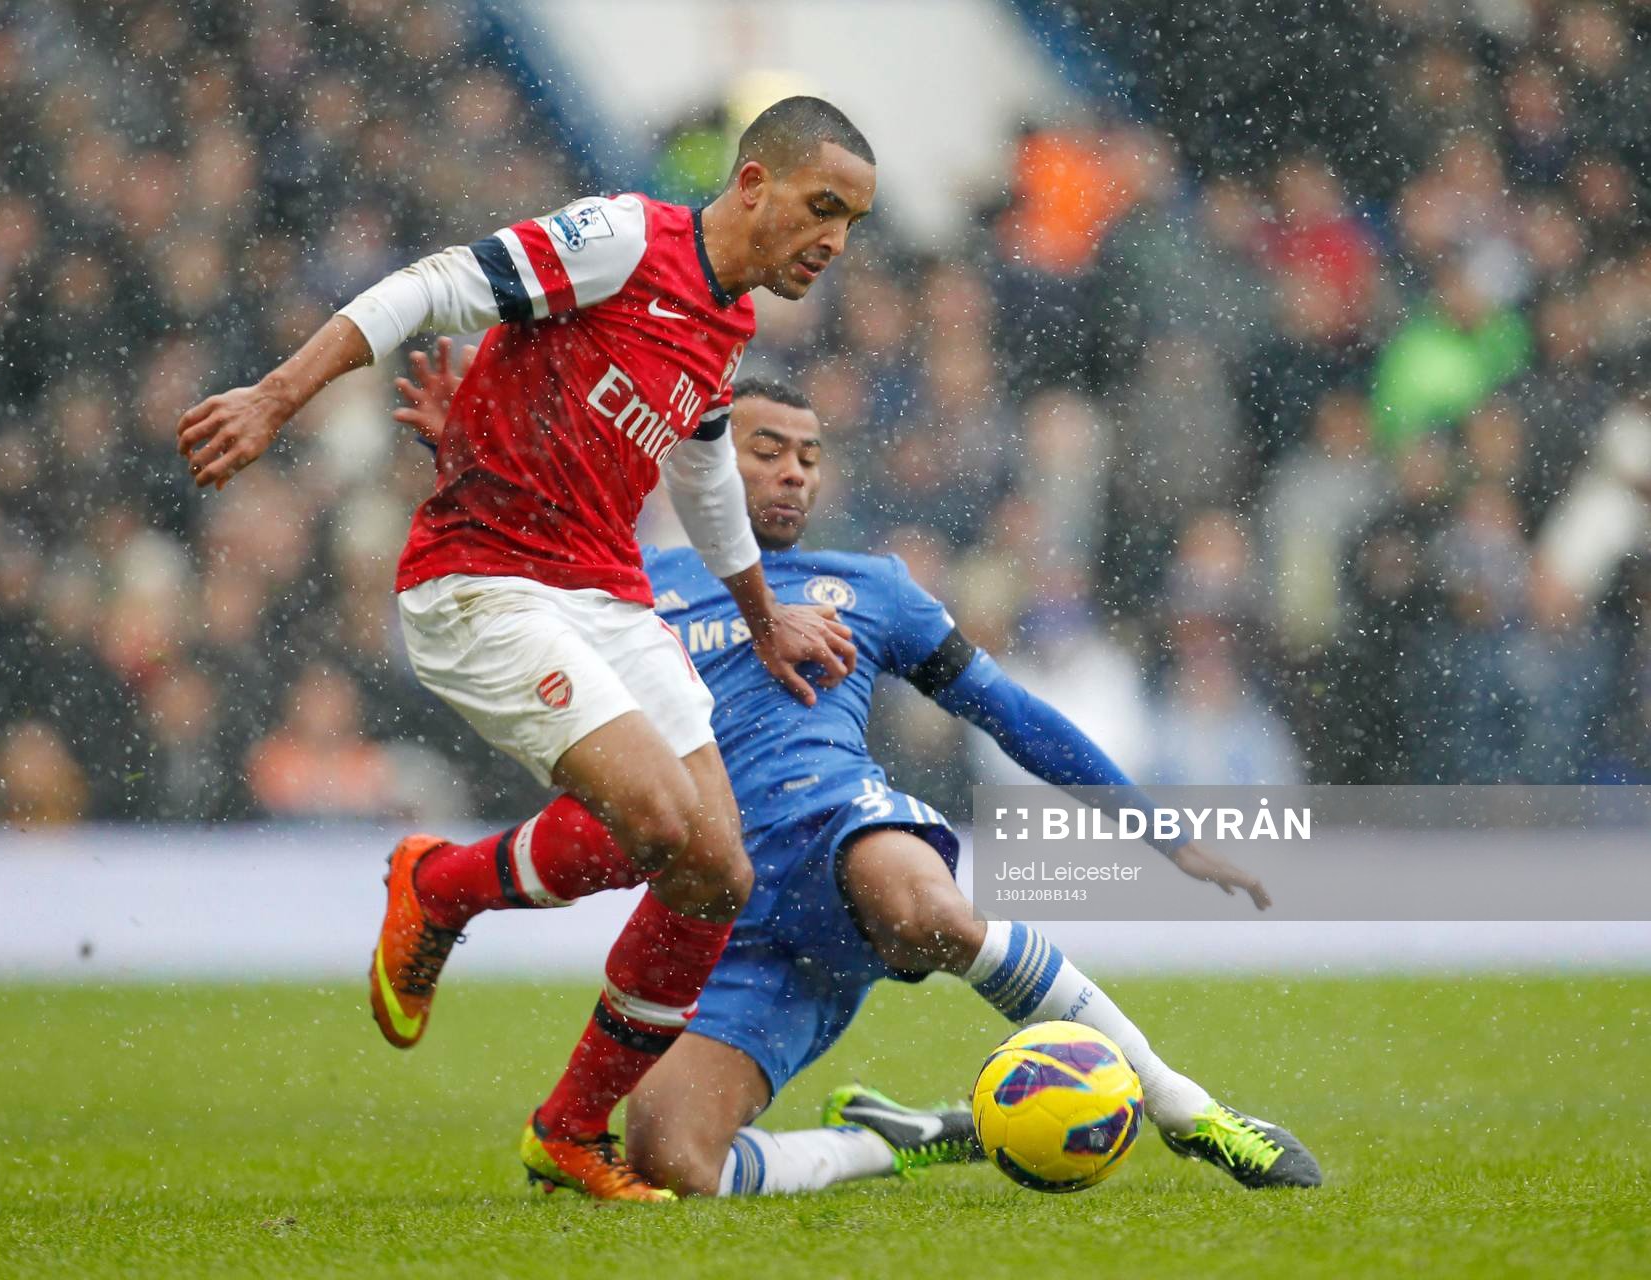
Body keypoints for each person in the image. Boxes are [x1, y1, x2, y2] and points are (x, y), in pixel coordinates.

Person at [397, 353, 1323, 1198]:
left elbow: (1011, 716)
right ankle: (900, 1139)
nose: (794, 470)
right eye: (766, 450)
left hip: (839, 831)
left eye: (808, 455)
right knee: (670, 1162)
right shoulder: (634, 580)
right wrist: (474, 474)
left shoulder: (867, 586)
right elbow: (511, 585)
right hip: (725, 919)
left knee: (927, 912)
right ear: (703, 463)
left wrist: (1161, 833)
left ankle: (1185, 1109)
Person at [176, 97, 875, 1201]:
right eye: (821, 206)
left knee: (718, 872)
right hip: (483, 582)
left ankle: (567, 1128)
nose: (835, 241)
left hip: (603, 591)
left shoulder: (728, 327)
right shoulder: (626, 240)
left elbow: (698, 474)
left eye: (852, 223)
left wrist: (759, 614)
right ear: (751, 184)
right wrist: (278, 397)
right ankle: (443, 886)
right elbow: (433, 285)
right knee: (656, 820)